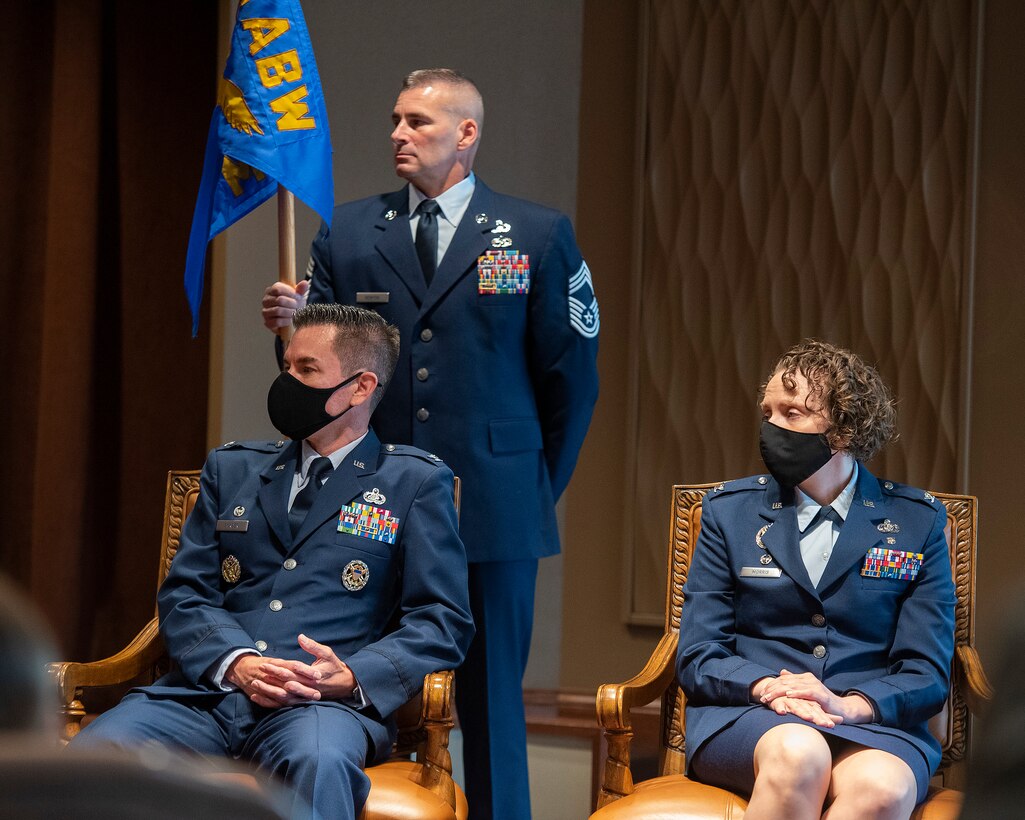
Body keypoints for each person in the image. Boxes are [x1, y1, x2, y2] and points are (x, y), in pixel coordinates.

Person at [262, 68, 599, 820]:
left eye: (417, 122)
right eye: (394, 120)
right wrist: (290, 326)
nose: (398, 135)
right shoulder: (347, 231)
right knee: (354, 682)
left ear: (466, 134)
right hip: (367, 502)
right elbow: (317, 382)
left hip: (495, 500)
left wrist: (534, 488)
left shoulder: (537, 233)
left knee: (489, 705)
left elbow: (570, 381)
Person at [71, 304, 475, 820]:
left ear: (361, 386)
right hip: (206, 697)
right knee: (94, 753)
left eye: (306, 370)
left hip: (319, 707)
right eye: (287, 367)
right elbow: (185, 594)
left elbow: (442, 620)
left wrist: (351, 675)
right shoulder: (233, 467)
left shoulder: (412, 482)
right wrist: (235, 663)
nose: (288, 382)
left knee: (319, 762)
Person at [676, 340, 956, 819]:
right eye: (768, 412)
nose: (772, 427)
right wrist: (770, 687)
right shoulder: (729, 514)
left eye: (792, 413)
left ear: (844, 429)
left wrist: (850, 706)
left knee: (883, 788)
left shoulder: (917, 523)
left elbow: (926, 673)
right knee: (799, 754)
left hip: (872, 721)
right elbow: (699, 654)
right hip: (751, 716)